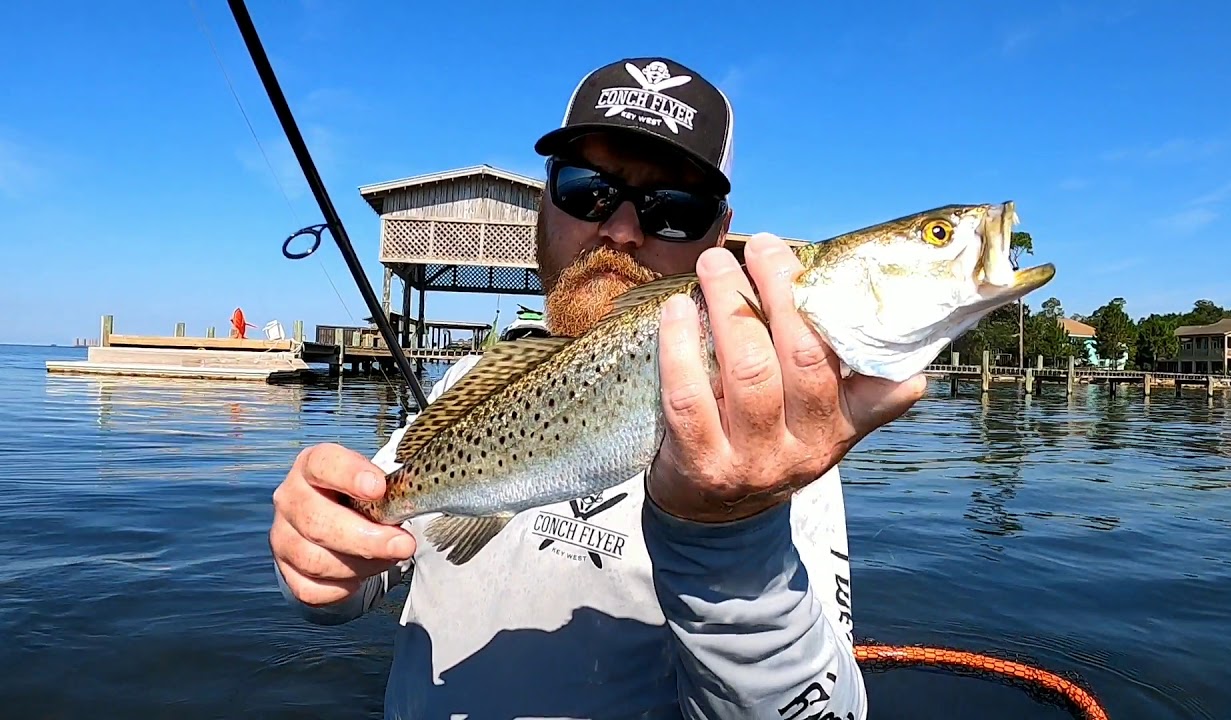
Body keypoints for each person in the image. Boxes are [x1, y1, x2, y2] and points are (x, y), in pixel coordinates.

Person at [268, 56, 925, 719]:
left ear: (718, 238)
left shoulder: (776, 436)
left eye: (674, 209)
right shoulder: (471, 380)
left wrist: (732, 541)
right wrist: (320, 559)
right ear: (544, 204)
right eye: (588, 189)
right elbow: (368, 554)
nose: (620, 230)